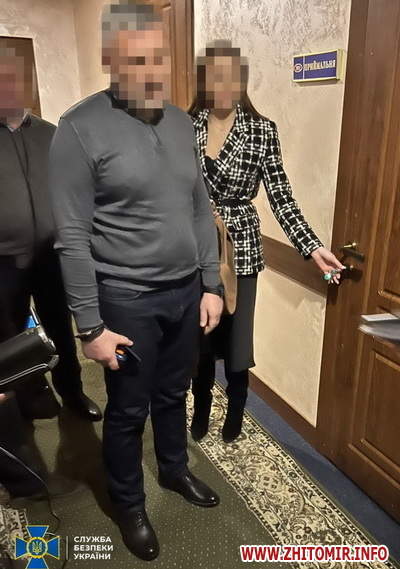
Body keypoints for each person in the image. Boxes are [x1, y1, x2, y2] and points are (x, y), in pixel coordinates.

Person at [50, 1, 223, 562]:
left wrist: (212, 283)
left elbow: (199, 209)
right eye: (135, 59)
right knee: (128, 410)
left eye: (158, 57)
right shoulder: (78, 129)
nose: (151, 71)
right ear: (111, 60)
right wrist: (89, 327)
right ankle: (128, 504)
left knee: (174, 393)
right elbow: (71, 238)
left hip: (186, 293)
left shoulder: (180, 121)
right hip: (125, 300)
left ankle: (173, 469)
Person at [188, 40, 345, 444]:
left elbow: (280, 197)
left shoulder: (261, 130)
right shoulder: (184, 125)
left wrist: (312, 246)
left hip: (241, 248)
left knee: (237, 342)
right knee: (200, 339)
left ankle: (236, 409)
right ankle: (201, 406)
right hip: (194, 246)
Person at [0, 43, 102, 422]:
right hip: (3, 262)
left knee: (60, 327)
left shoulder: (52, 134)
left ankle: (72, 392)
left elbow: (76, 190)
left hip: (53, 256)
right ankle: (26, 401)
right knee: (10, 338)